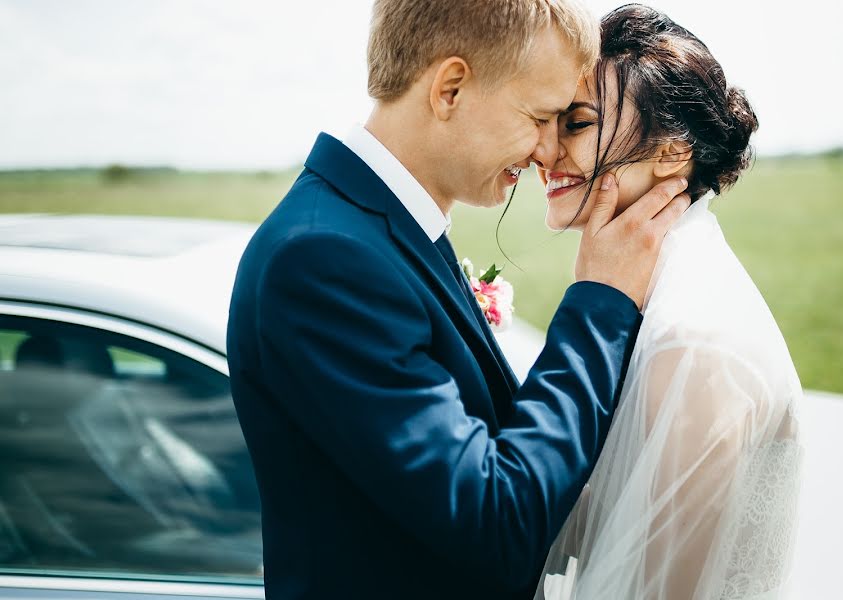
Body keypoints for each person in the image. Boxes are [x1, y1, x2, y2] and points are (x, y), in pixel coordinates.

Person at [226, 0, 690, 598]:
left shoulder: (380, 230)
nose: (549, 152)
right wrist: (600, 302)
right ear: (449, 89)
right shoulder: (322, 260)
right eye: (541, 116)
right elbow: (495, 522)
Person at [534, 5, 804, 599]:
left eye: (577, 123)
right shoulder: (651, 295)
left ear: (672, 153)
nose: (543, 152)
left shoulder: (693, 345)